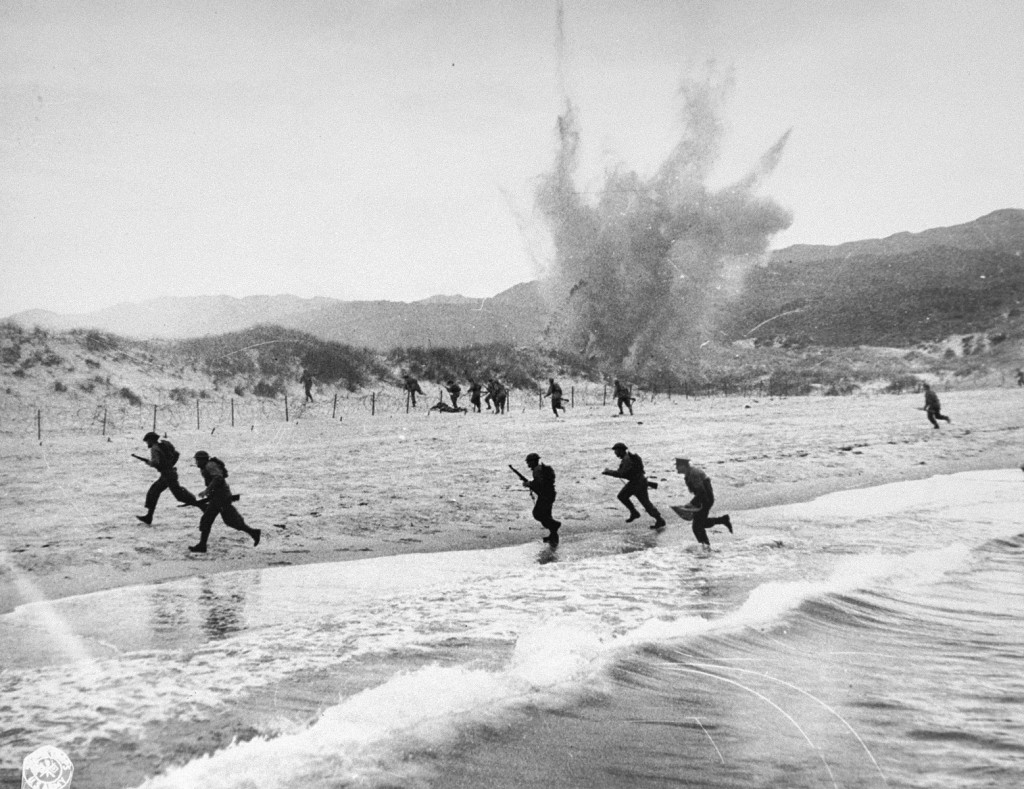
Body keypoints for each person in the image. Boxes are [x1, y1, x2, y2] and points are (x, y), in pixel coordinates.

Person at [189, 451, 260, 553]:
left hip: (221, 498)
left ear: (203, 459)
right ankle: (253, 532)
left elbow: (218, 478)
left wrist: (207, 491)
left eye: (198, 460)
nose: (196, 462)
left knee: (211, 520)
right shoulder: (207, 466)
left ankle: (202, 546)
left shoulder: (210, 465)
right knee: (227, 520)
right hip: (219, 497)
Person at [136, 432, 201, 524]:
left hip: (167, 475)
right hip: (169, 473)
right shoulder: (164, 445)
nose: (147, 443)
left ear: (151, 440)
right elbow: (176, 454)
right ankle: (149, 516)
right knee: (154, 492)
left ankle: (202, 506)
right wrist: (170, 464)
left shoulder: (154, 449)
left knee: (178, 495)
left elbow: (155, 462)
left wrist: (149, 463)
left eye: (147, 441)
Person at [602, 442, 665, 529]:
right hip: (639, 482)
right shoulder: (628, 457)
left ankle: (635, 513)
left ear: (620, 450)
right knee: (645, 502)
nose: (615, 453)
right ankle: (659, 519)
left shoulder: (627, 459)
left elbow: (621, 473)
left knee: (622, 496)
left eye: (616, 451)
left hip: (636, 483)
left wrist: (608, 472)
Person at [673, 457, 732, 549]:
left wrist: (692, 503)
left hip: (706, 499)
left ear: (683, 466)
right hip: (703, 498)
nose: (676, 468)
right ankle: (722, 520)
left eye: (677, 466)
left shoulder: (693, 473)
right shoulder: (689, 473)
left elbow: (702, 491)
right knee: (701, 523)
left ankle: (706, 548)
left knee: (697, 527)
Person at [524, 452, 561, 545]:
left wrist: (529, 484)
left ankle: (555, 525)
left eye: (529, 462)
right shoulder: (540, 469)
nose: (528, 464)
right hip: (550, 494)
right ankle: (553, 538)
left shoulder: (537, 470)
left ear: (533, 462)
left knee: (537, 513)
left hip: (545, 496)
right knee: (547, 516)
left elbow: (540, 483)